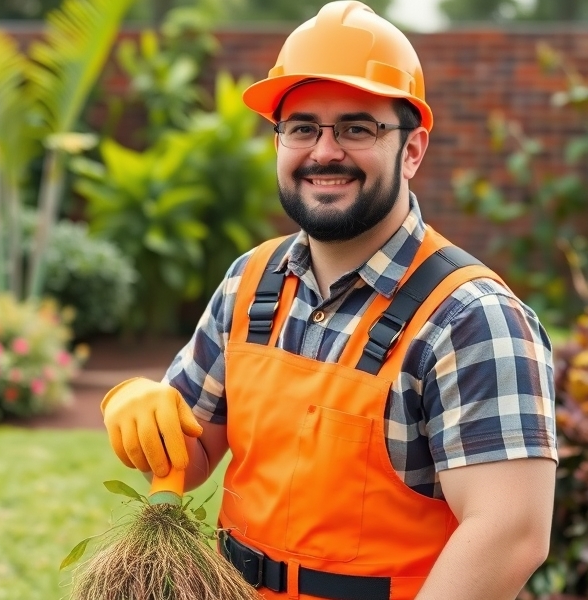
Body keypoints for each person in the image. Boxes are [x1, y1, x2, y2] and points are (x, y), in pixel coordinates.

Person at [100, 2, 558, 599]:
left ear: (413, 149)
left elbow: (509, 533)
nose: (323, 152)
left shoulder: (472, 319)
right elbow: (190, 454)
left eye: (356, 128)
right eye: (302, 128)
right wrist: (137, 407)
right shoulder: (251, 281)